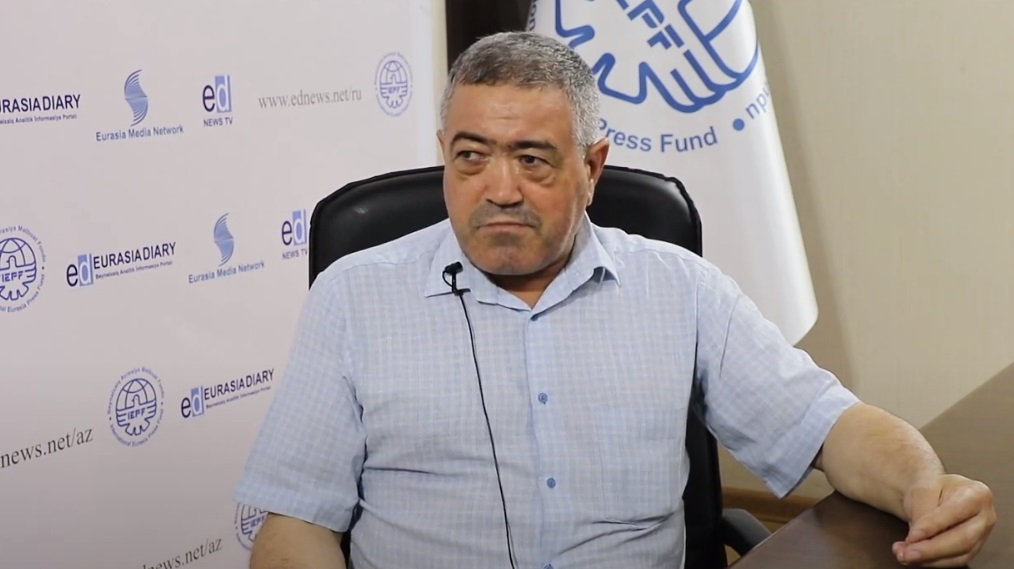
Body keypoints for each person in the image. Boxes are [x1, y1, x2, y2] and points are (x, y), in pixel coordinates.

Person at [233, 31, 996, 569]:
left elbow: (834, 427)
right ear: (444, 154)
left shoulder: (678, 288)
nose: (500, 189)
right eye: (471, 157)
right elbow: (295, 528)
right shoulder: (355, 297)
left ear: (592, 167)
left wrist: (926, 487)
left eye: (533, 159)